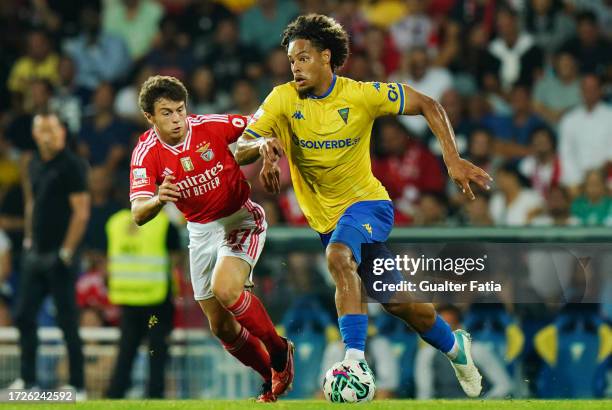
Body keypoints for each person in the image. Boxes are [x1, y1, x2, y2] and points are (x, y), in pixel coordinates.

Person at [235, 14, 490, 398]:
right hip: (327, 219)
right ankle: (456, 348)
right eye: (291, 60)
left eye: (303, 58)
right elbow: (239, 148)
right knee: (400, 303)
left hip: (368, 205)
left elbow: (429, 104)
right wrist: (263, 148)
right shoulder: (282, 99)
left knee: (339, 257)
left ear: (325, 57)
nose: (295, 67)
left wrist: (452, 159)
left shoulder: (360, 95)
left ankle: (353, 359)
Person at [128, 75, 293, 402]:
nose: (177, 119)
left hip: (240, 218)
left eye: (180, 110)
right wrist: (159, 199)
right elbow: (138, 212)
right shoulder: (146, 152)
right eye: (167, 113)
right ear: (150, 117)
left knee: (225, 288)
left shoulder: (211, 126)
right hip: (200, 231)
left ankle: (278, 350)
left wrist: (266, 153)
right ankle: (267, 378)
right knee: (220, 327)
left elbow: (261, 129)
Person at [11, 112, 89, 398]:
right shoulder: (32, 164)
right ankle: (27, 380)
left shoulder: (72, 164)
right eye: (44, 129)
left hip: (59, 256)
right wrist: (29, 239)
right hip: (36, 253)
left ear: (62, 133)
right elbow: (31, 203)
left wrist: (66, 253)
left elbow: (81, 212)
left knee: (68, 321)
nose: (50, 135)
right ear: (35, 134)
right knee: (23, 316)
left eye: (55, 129)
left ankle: (78, 385)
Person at [105, 205, 179, 398]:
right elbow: (175, 259)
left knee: (126, 350)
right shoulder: (163, 223)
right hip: (155, 299)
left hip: (127, 297)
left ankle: (115, 394)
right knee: (156, 350)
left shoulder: (115, 222)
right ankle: (155, 394)